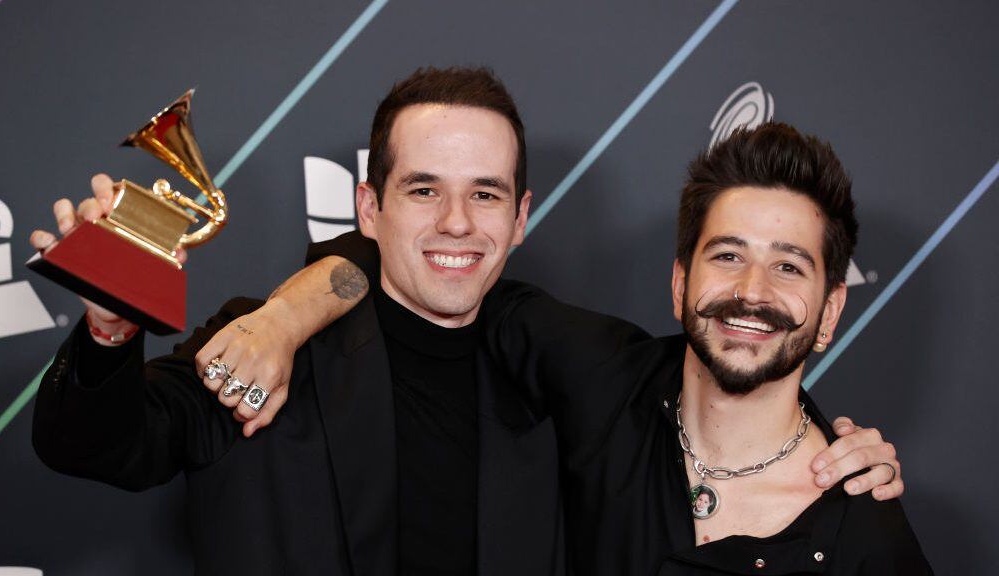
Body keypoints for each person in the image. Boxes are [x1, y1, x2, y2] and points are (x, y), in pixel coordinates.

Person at [197, 118, 927, 573]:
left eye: (789, 266)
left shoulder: (862, 520)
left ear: (830, 311)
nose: (753, 291)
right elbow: (424, 261)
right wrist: (290, 316)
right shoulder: (598, 374)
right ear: (680, 285)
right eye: (727, 255)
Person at [30, 67, 563, 576]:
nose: (456, 221)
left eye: (485, 193)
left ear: (519, 219)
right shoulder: (260, 339)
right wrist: (111, 328)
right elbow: (99, 445)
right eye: (424, 190)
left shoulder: (556, 374)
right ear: (369, 209)